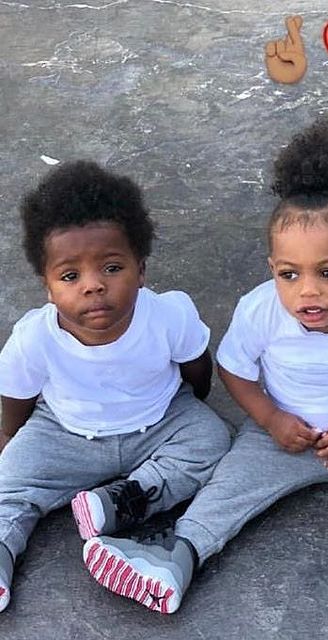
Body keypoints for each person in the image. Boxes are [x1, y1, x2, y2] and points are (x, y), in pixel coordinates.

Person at [82, 117, 328, 630]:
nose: (308, 291)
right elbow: (235, 369)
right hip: (281, 437)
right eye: (290, 274)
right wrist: (270, 419)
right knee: (228, 482)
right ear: (273, 270)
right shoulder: (260, 310)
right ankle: (178, 554)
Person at [0, 161, 231, 613]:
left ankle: (120, 502)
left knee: (213, 440)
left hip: (159, 420)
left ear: (140, 270)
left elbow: (197, 367)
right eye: (70, 276)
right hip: (65, 432)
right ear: (48, 287)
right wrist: (10, 437)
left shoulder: (168, 314)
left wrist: (189, 407)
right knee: (8, 485)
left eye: (111, 267)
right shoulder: (34, 338)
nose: (93, 286)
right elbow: (16, 395)